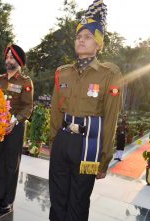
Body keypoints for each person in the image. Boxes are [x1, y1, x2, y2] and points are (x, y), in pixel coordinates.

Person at [49, 1, 124, 220]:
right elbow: (55, 111)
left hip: (88, 145)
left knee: (79, 202)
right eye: (78, 37)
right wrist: (54, 143)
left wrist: (105, 157)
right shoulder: (62, 72)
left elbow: (111, 118)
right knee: (57, 200)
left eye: (88, 37)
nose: (81, 40)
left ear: (99, 44)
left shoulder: (109, 74)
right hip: (63, 141)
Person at [0, 43, 34, 213]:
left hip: (15, 127)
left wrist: (15, 120)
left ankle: (8, 200)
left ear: (19, 60)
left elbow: (28, 107)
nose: (8, 59)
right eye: (7, 56)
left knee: (11, 165)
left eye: (12, 57)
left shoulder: (25, 81)